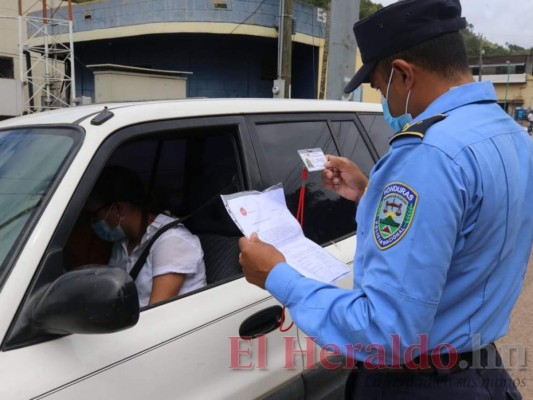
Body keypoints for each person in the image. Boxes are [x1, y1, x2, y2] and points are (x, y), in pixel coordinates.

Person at [238, 0, 533, 398]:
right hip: (482, 371)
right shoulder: (511, 135)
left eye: (378, 87)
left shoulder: (427, 154)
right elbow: (469, 226)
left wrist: (279, 276)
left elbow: (387, 331)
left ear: (402, 74)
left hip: (419, 383)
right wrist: (368, 193)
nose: (382, 99)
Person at [85, 165, 206, 307]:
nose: (93, 223)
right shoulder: (122, 242)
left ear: (118, 208)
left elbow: (157, 312)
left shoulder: (171, 241)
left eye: (95, 215)